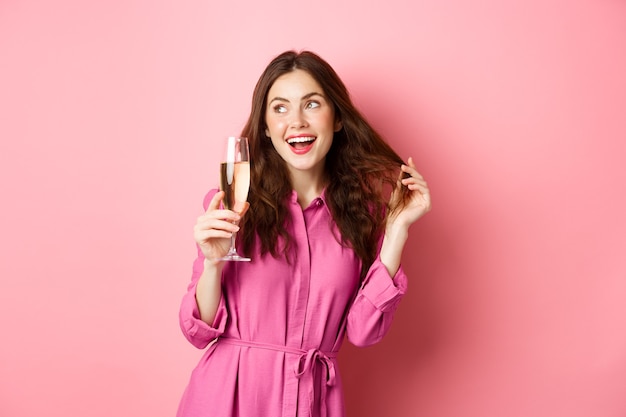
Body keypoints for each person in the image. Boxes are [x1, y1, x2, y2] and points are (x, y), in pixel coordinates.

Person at [176, 50, 431, 417]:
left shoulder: (363, 217)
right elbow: (198, 332)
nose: (296, 121)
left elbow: (363, 332)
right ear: (265, 126)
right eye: (279, 108)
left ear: (337, 118)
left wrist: (396, 232)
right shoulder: (233, 204)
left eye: (311, 104)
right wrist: (213, 264)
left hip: (311, 402)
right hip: (227, 399)